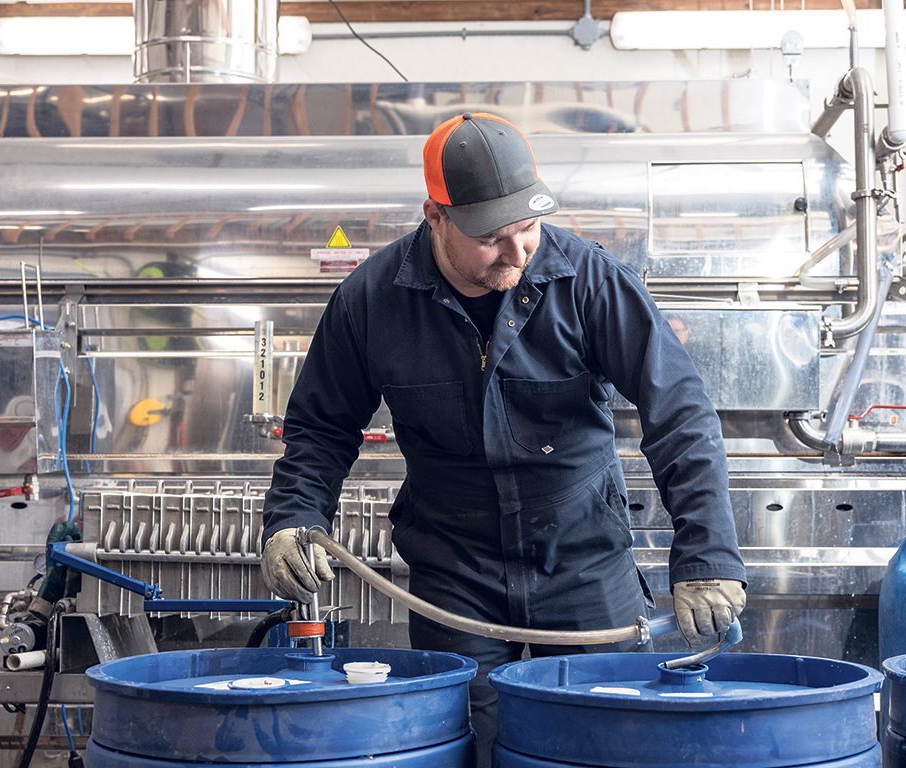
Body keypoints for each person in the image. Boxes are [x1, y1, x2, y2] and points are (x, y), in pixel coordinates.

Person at [260, 112, 746, 767]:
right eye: (492, 238)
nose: (518, 253)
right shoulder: (370, 301)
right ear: (435, 216)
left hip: (583, 564)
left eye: (528, 228)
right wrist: (293, 517)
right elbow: (321, 429)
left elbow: (679, 414)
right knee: (466, 749)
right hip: (453, 572)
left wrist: (708, 554)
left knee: (596, 748)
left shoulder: (588, 279)